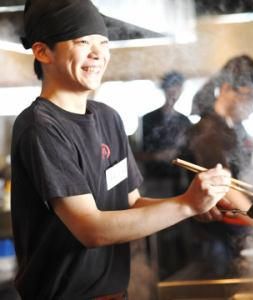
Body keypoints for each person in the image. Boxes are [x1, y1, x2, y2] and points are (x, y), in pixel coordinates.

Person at [10, 0, 231, 299]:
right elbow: (92, 229)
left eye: (103, 42)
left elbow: (131, 204)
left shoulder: (108, 118)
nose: (98, 53)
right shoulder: (41, 128)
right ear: (42, 51)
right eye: (82, 41)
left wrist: (189, 205)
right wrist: (186, 205)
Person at [182, 54, 253, 277]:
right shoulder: (208, 132)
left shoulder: (235, 128)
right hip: (214, 240)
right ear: (226, 89)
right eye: (250, 96)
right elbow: (226, 187)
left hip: (235, 233)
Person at [136, 71, 191, 197]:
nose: (175, 91)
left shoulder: (185, 121)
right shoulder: (148, 119)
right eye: (172, 86)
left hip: (179, 179)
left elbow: (189, 151)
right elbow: (136, 153)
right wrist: (157, 156)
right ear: (165, 88)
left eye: (179, 87)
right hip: (154, 179)